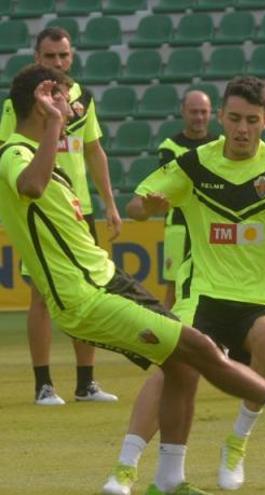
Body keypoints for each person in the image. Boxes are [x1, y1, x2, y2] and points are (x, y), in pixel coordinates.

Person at [0, 64, 265, 495]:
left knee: (182, 364)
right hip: (88, 295)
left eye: (251, 120)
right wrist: (143, 202)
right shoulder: (14, 152)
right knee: (197, 350)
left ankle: (168, 480)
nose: (74, 108)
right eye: (65, 101)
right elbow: (39, 188)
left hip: (110, 280)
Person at [101, 76, 265, 495]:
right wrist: (148, 206)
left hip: (258, 300)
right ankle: (124, 469)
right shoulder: (195, 164)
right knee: (171, 368)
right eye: (234, 118)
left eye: (251, 120)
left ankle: (237, 443)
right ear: (220, 117)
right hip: (202, 294)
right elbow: (136, 203)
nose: (242, 128)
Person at [0, 26, 121, 405]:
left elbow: (94, 152)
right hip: (40, 210)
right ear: (37, 57)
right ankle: (44, 384)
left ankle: (86, 383)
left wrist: (110, 203)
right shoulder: (18, 103)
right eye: (50, 56)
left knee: (88, 294)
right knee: (41, 294)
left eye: (63, 56)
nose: (58, 62)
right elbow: (10, 152)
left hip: (79, 208)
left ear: (71, 57)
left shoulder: (82, 98)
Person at [156, 90, 217, 311]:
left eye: (203, 112)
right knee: (174, 286)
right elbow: (173, 187)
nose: (199, 117)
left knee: (214, 283)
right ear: (183, 112)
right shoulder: (169, 147)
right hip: (179, 225)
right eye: (194, 112)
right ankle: (168, 338)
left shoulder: (220, 145)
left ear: (211, 113)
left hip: (212, 225)